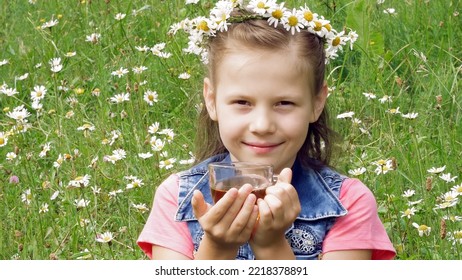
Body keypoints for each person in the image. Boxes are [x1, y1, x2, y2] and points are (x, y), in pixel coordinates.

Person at [137, 0, 396, 260]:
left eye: (284, 103)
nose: (262, 126)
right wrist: (217, 248)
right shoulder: (176, 198)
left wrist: (271, 246)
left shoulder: (349, 203)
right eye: (242, 102)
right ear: (211, 100)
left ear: (317, 103)